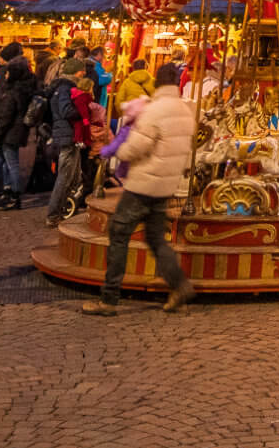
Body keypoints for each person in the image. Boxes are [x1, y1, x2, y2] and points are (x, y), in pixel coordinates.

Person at [81, 63, 198, 317]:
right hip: (166, 184)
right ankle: (179, 285)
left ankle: (109, 299)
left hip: (144, 183)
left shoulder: (154, 111)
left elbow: (136, 147)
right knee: (155, 238)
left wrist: (118, 152)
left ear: (156, 82)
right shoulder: (187, 110)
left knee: (118, 233)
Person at [0, 55, 36, 209]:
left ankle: (14, 195)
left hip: (8, 133)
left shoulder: (12, 92)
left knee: (10, 164)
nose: (5, 75)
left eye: (7, 73)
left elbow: (5, 116)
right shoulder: (21, 89)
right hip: (11, 132)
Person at [43, 58, 88, 224]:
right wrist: (84, 110)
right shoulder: (66, 88)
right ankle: (53, 214)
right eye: (82, 71)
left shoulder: (61, 87)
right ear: (78, 72)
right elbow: (66, 111)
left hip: (65, 135)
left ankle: (65, 208)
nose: (84, 74)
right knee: (65, 175)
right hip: (67, 136)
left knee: (73, 175)